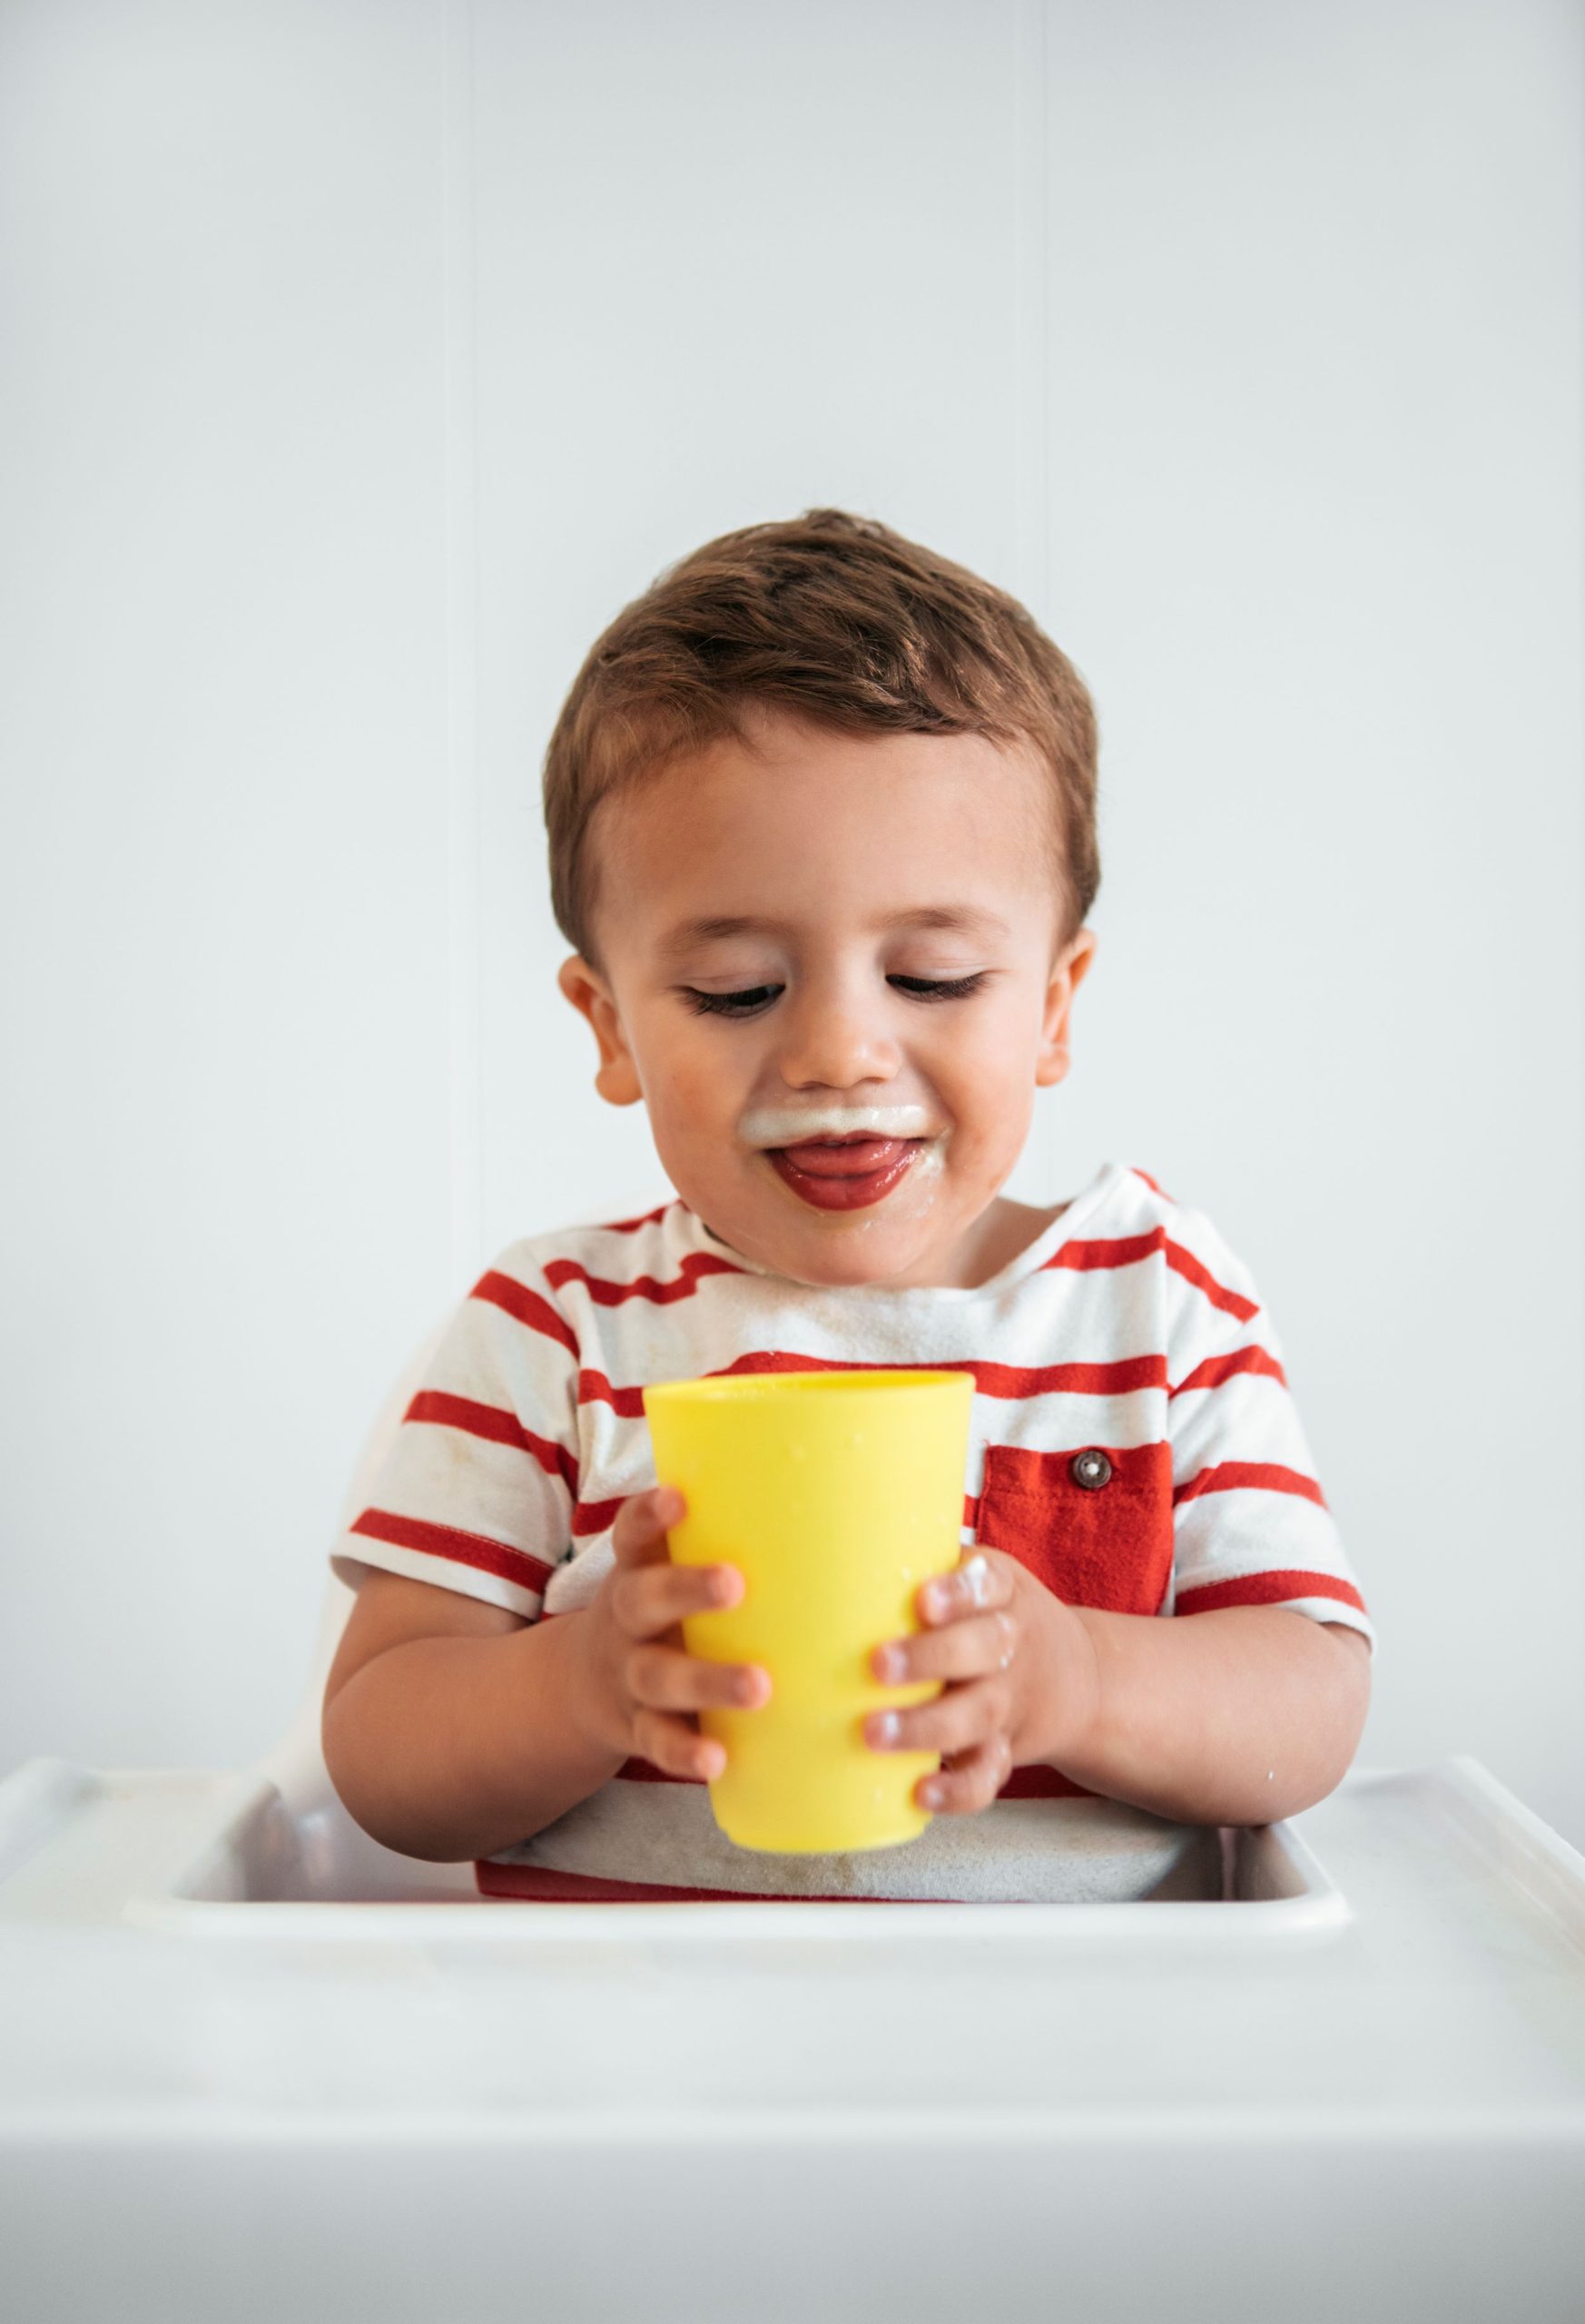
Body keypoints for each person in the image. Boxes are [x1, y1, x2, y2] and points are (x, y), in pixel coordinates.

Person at [320, 507, 1373, 1903]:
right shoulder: (553, 1331)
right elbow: (380, 1752)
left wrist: (1077, 1681)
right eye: (737, 991)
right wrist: (583, 1681)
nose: (835, 1053)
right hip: (633, 2075)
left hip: (1088, 2066)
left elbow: (1308, 1703)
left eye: (932, 977)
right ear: (611, 1025)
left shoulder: (1155, 1305)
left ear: (1052, 1006)